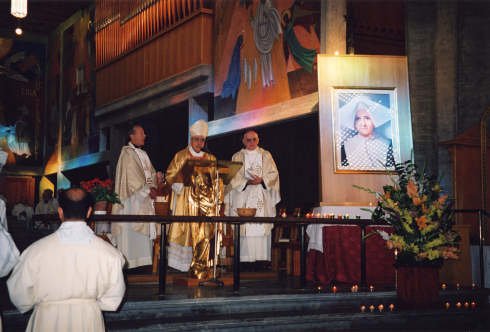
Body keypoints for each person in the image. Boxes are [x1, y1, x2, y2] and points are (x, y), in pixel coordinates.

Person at [7, 188, 125, 332]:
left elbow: (19, 296)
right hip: (88, 320)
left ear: (60, 212)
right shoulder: (109, 254)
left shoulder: (35, 251)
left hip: (47, 320)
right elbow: (113, 299)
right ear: (89, 212)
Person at [166, 119, 218, 279]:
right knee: (185, 231)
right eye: (197, 139)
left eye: (202, 140)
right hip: (185, 200)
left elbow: (217, 180)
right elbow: (170, 175)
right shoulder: (181, 156)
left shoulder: (210, 158)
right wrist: (180, 179)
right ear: (191, 139)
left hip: (204, 203)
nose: (199, 143)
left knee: (202, 233)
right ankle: (181, 267)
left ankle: (200, 266)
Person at [111, 124, 163, 268]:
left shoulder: (144, 154)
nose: (144, 135)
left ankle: (144, 264)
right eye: (142, 133)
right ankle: (131, 265)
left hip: (145, 198)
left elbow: (149, 174)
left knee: (143, 234)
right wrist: (148, 189)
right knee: (131, 232)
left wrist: (156, 179)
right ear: (132, 136)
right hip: (132, 201)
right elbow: (133, 179)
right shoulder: (127, 153)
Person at [225, 130, 280, 263]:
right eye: (248, 140)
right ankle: (244, 261)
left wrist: (262, 180)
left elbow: (274, 174)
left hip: (261, 194)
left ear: (258, 140)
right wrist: (247, 181)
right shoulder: (237, 156)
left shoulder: (266, 155)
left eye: (254, 139)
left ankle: (262, 261)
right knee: (246, 227)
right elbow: (232, 178)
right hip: (243, 195)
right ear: (243, 141)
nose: (251, 142)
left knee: (260, 226)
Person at [340, 97, 395, 169]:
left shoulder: (388, 144)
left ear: (374, 120)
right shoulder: (345, 146)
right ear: (354, 123)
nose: (363, 124)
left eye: (367, 118)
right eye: (358, 119)